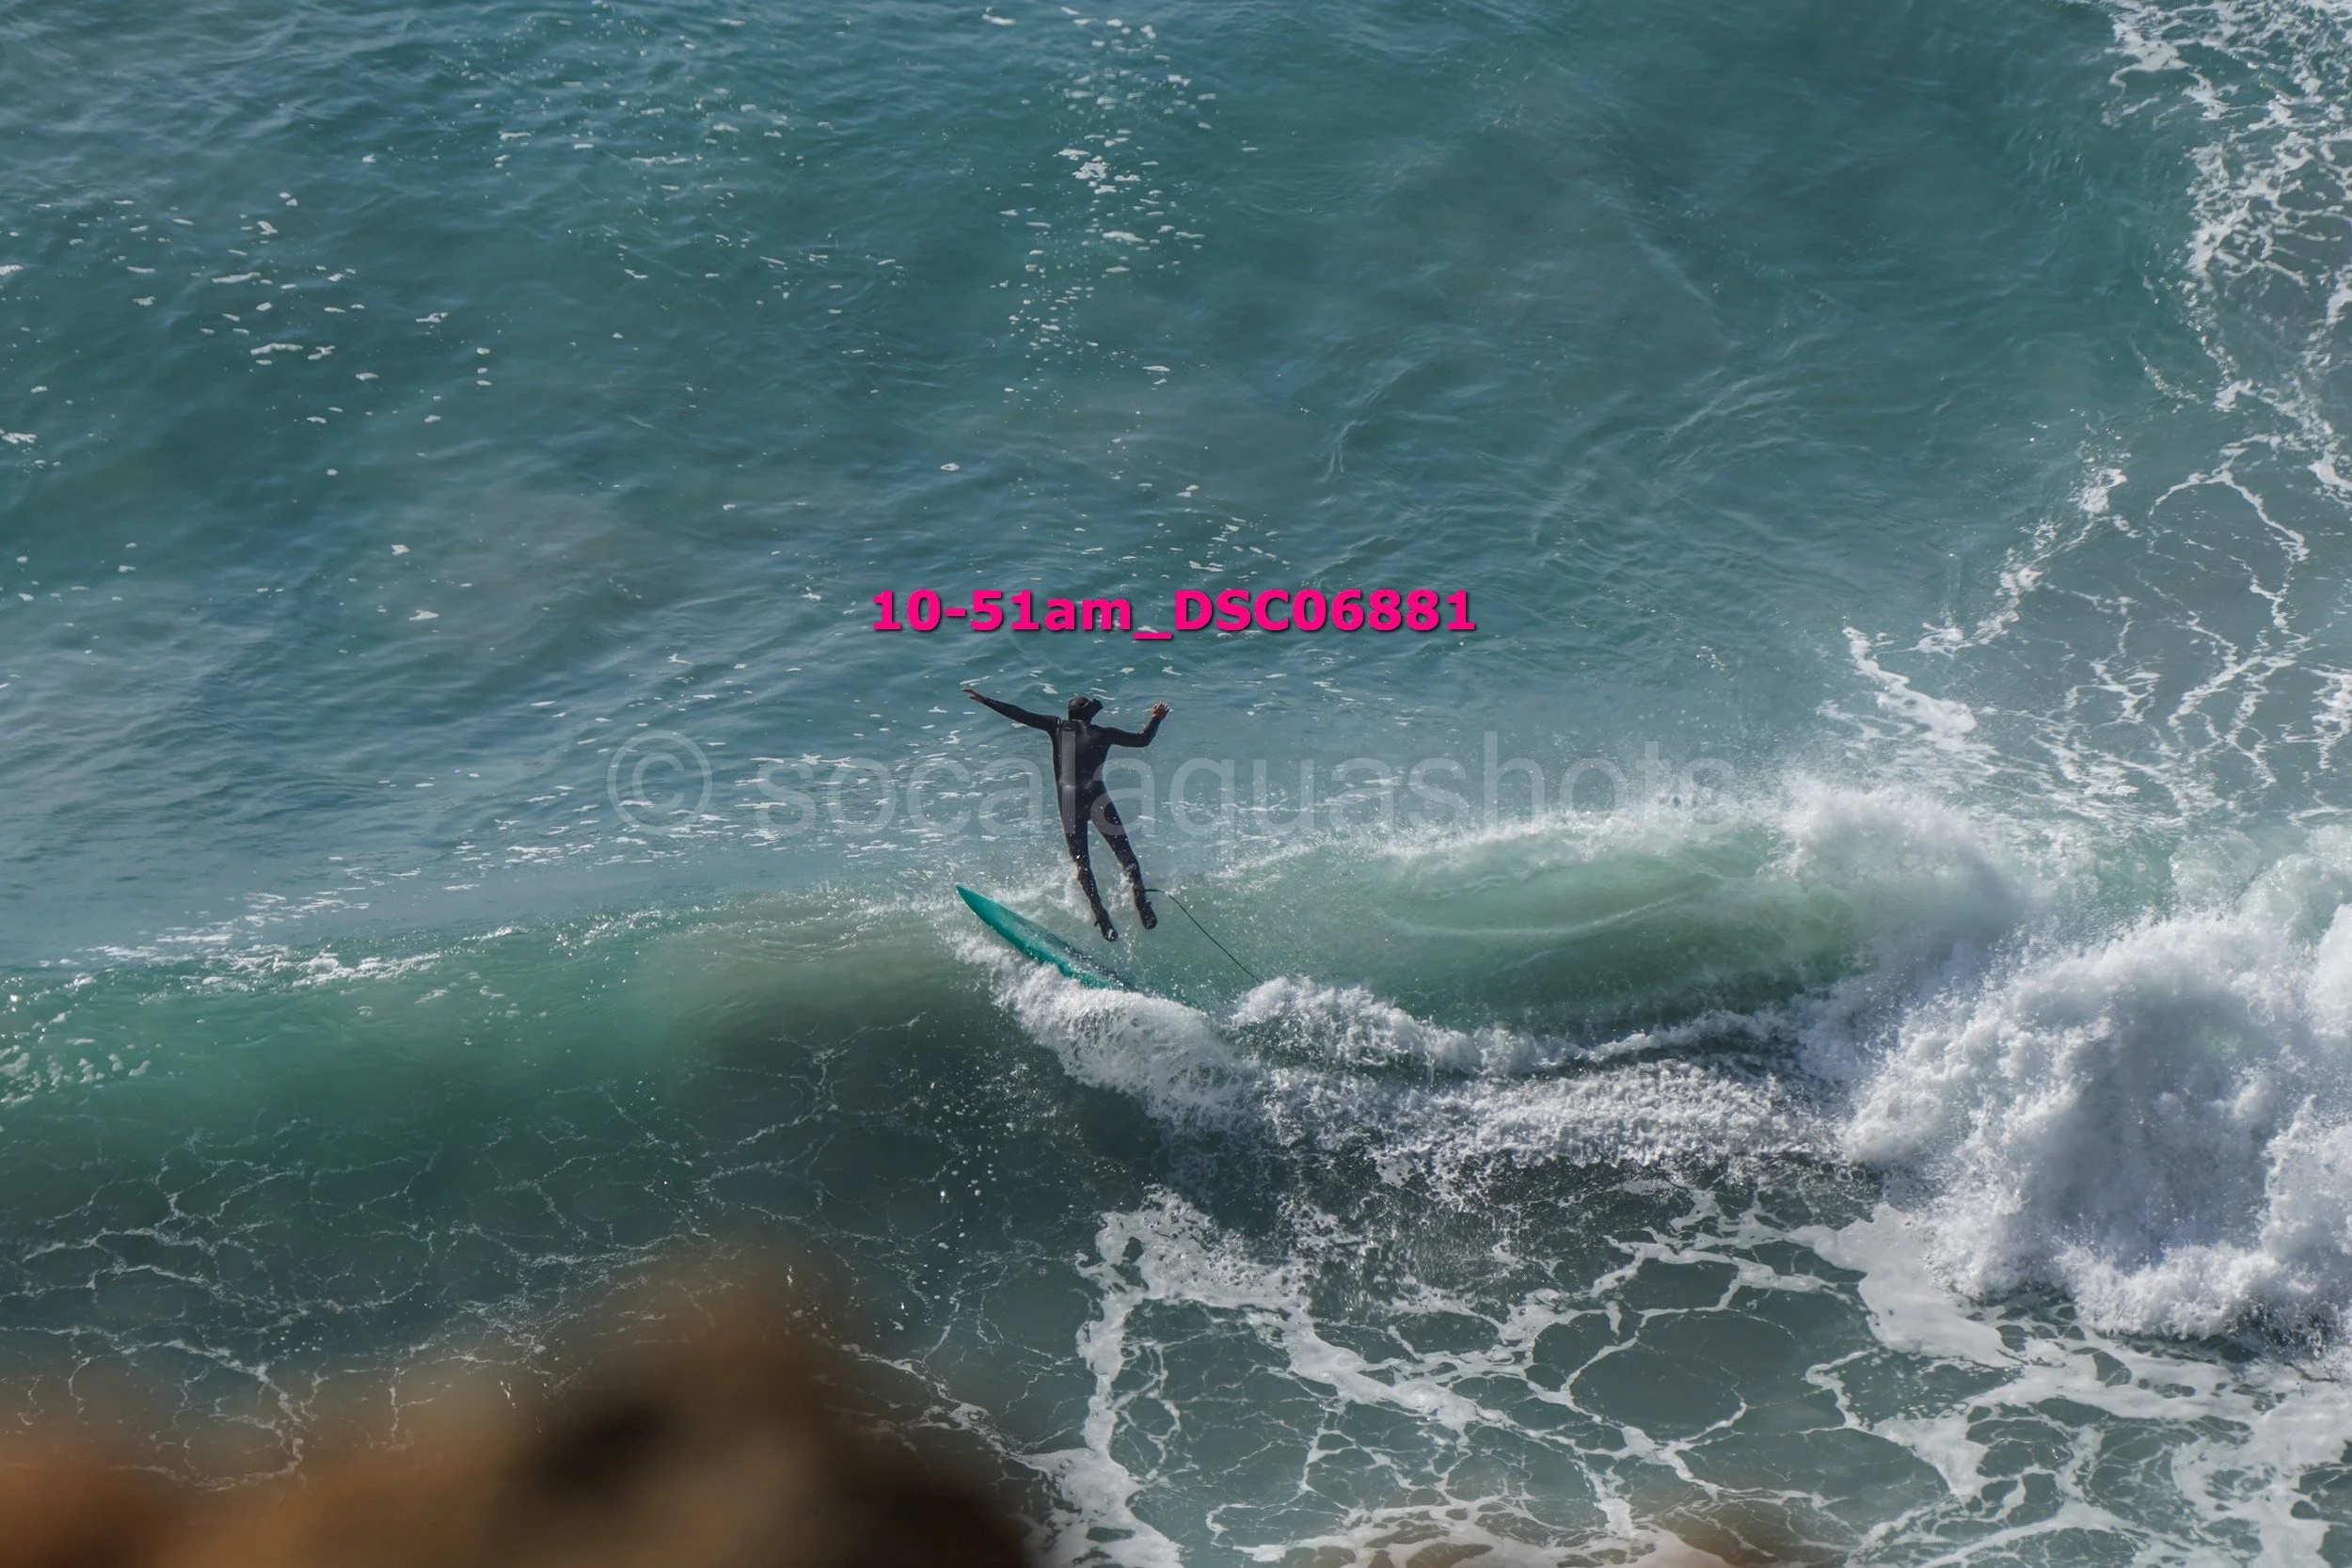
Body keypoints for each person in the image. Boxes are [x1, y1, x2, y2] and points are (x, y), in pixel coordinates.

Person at [965, 686, 1167, 941]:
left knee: (1083, 865)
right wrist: (1156, 719)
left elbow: (1020, 714)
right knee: (1124, 852)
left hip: (1070, 801)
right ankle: (1142, 903)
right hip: (1097, 797)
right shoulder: (1104, 733)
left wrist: (986, 700)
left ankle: (1101, 914)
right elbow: (1142, 740)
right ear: (1089, 715)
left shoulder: (1057, 727)